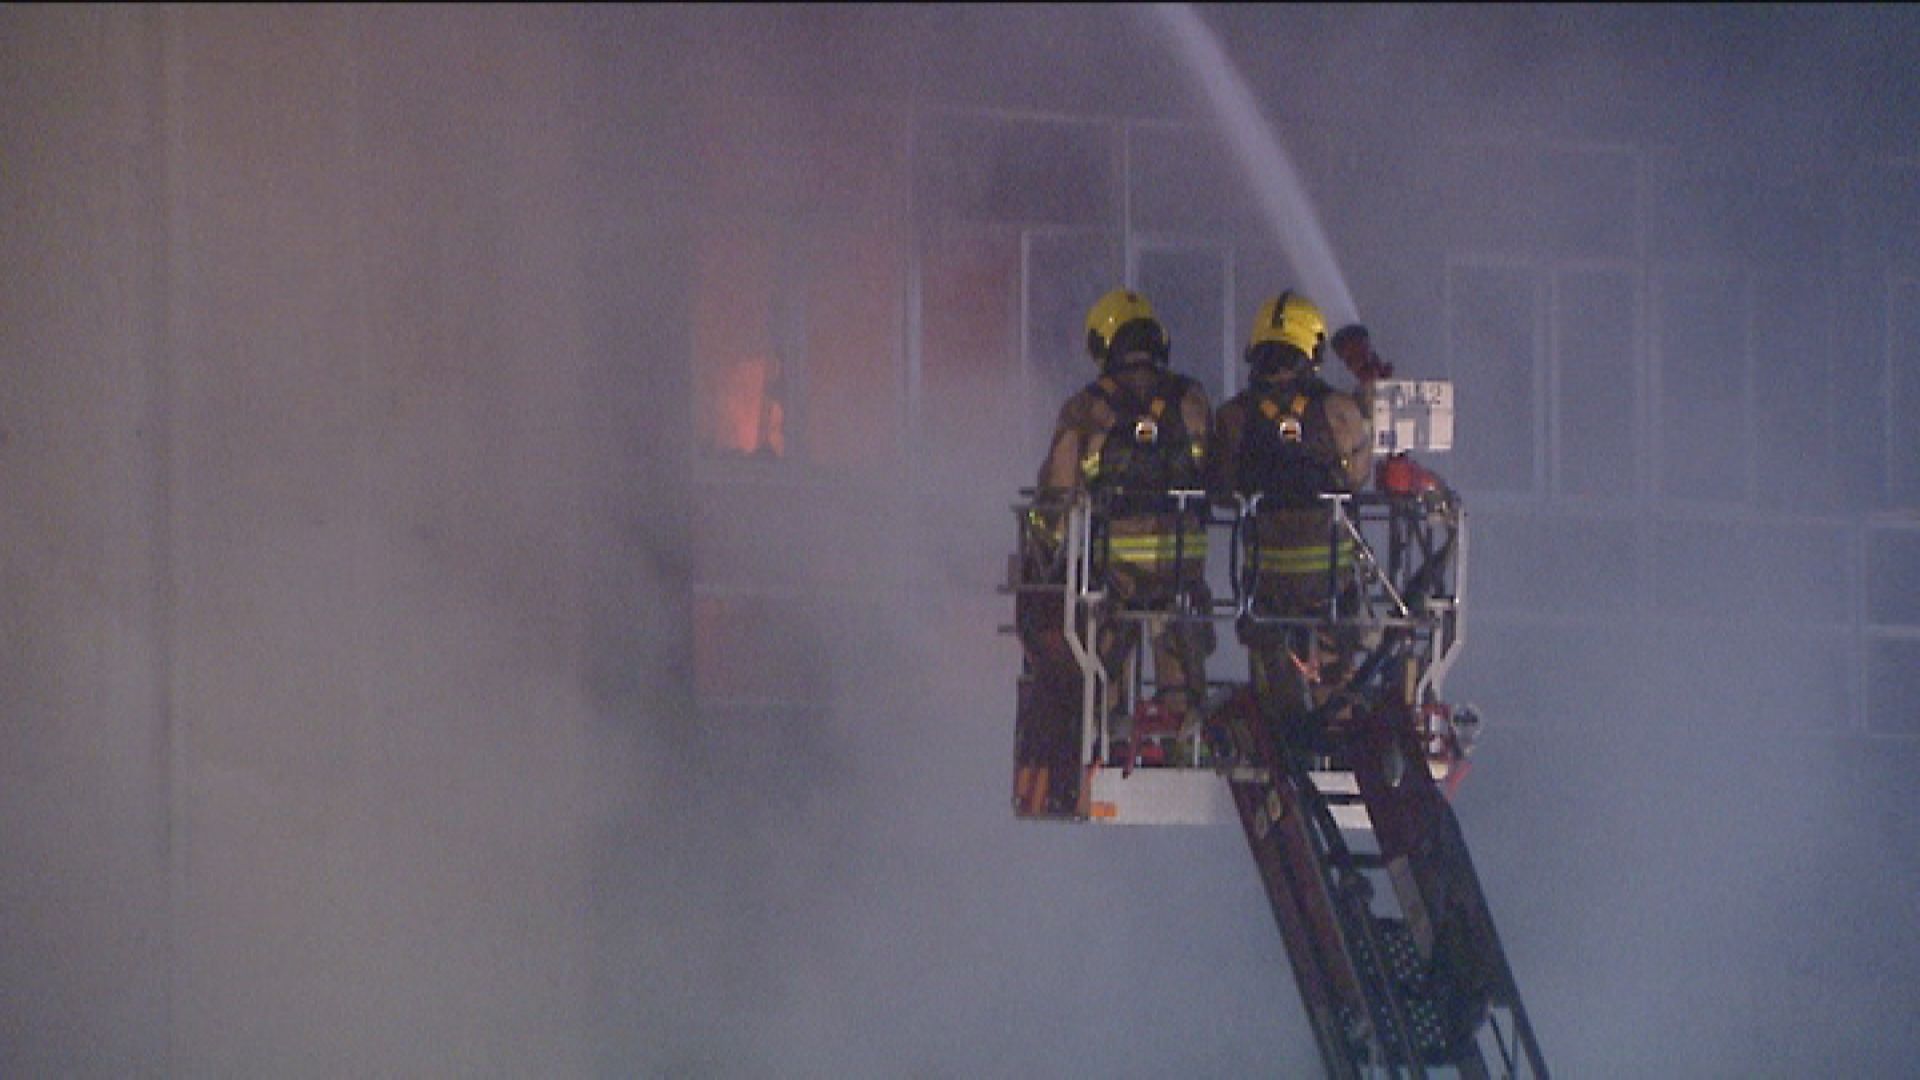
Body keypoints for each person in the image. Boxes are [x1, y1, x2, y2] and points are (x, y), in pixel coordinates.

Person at [1023, 288, 1214, 782]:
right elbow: (1222, 474)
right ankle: (1182, 740)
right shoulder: (1191, 401)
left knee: (1105, 652)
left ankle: (1110, 738)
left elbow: (1058, 492)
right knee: (1178, 641)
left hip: (1116, 571)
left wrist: (1042, 544)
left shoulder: (1086, 410)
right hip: (1181, 566)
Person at [1208, 291, 1372, 751]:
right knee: (1339, 659)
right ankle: (1338, 730)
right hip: (1328, 582)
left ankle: (1279, 737)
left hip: (1266, 581)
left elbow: (1221, 489)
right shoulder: (1338, 410)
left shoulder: (1234, 416)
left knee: (1269, 658)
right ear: (1312, 348)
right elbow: (1357, 478)